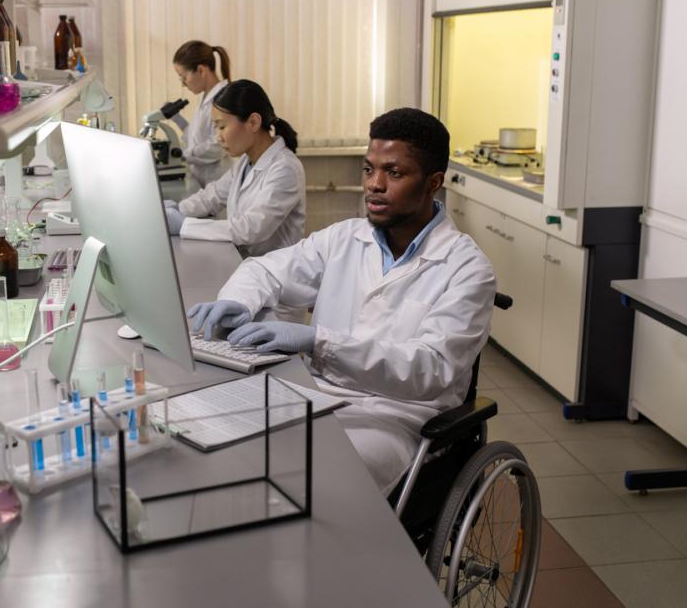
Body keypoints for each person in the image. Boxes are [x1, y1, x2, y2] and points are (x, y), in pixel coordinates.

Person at [187, 108, 496, 495]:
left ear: (433, 182)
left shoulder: (467, 269)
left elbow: (429, 369)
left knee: (312, 475)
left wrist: (318, 341)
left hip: (396, 417)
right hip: (317, 392)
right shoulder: (345, 237)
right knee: (225, 438)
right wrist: (239, 302)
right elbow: (265, 270)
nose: (374, 185)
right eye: (369, 170)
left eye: (394, 173)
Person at [164, 79, 306, 260]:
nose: (218, 137)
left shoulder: (285, 168)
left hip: (276, 274)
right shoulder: (246, 162)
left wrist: (184, 225)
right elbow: (212, 196)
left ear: (253, 122)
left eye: (222, 126)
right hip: (248, 264)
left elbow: (252, 228)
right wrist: (176, 210)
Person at [170, 40, 232, 187]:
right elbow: (196, 137)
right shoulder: (206, 97)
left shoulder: (222, 99)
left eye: (184, 77)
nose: (183, 83)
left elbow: (218, 145)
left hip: (217, 184)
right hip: (202, 184)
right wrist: (177, 119)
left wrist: (184, 156)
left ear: (201, 70)